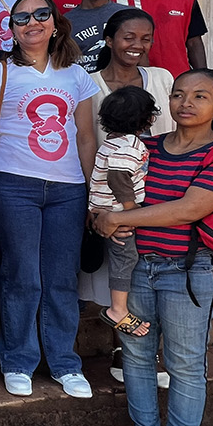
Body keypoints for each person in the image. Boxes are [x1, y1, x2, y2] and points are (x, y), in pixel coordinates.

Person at [94, 69, 213, 426]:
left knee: (185, 364)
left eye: (200, 96)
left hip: (188, 272)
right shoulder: (142, 147)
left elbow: (189, 208)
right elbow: (104, 195)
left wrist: (118, 218)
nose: (186, 103)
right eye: (179, 94)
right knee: (136, 355)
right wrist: (101, 219)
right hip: (135, 271)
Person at [0, 0, 99, 401]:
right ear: (10, 29)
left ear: (55, 22)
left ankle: (64, 362)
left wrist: (91, 192)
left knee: (62, 277)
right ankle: (18, 359)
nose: (32, 22)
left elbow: (85, 137)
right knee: (22, 276)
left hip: (68, 189)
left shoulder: (76, 76)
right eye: (21, 18)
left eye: (41, 14)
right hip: (13, 184)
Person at [85, 8, 177, 386]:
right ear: (109, 40)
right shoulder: (89, 85)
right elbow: (85, 143)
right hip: (118, 203)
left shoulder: (162, 79)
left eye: (145, 38)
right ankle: (124, 351)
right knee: (121, 272)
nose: (137, 45)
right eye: (128, 37)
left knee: (155, 272)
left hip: (161, 194)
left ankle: (152, 350)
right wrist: (97, 207)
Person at [89, 86, 157, 336]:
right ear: (148, 120)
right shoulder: (130, 145)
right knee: (125, 257)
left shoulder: (111, 142)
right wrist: (131, 210)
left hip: (104, 210)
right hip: (117, 212)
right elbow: (118, 177)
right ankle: (117, 309)